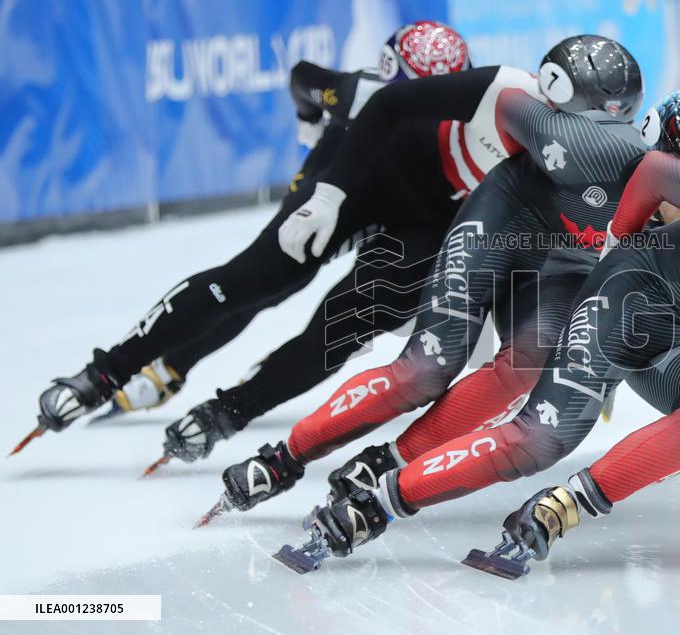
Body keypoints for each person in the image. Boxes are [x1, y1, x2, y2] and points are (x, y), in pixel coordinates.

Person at [280, 142, 680, 573]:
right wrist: (620, 242)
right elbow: (653, 173)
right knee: (541, 437)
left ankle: (555, 510)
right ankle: (376, 502)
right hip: (632, 291)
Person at [14, 22, 495, 455]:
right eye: (407, 100)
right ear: (386, 82)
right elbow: (305, 80)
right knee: (264, 278)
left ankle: (231, 408)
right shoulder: (359, 93)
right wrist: (310, 134)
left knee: (340, 329)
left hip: (424, 221)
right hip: (346, 183)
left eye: (440, 98)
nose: (422, 113)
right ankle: (111, 372)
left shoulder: (491, 120)